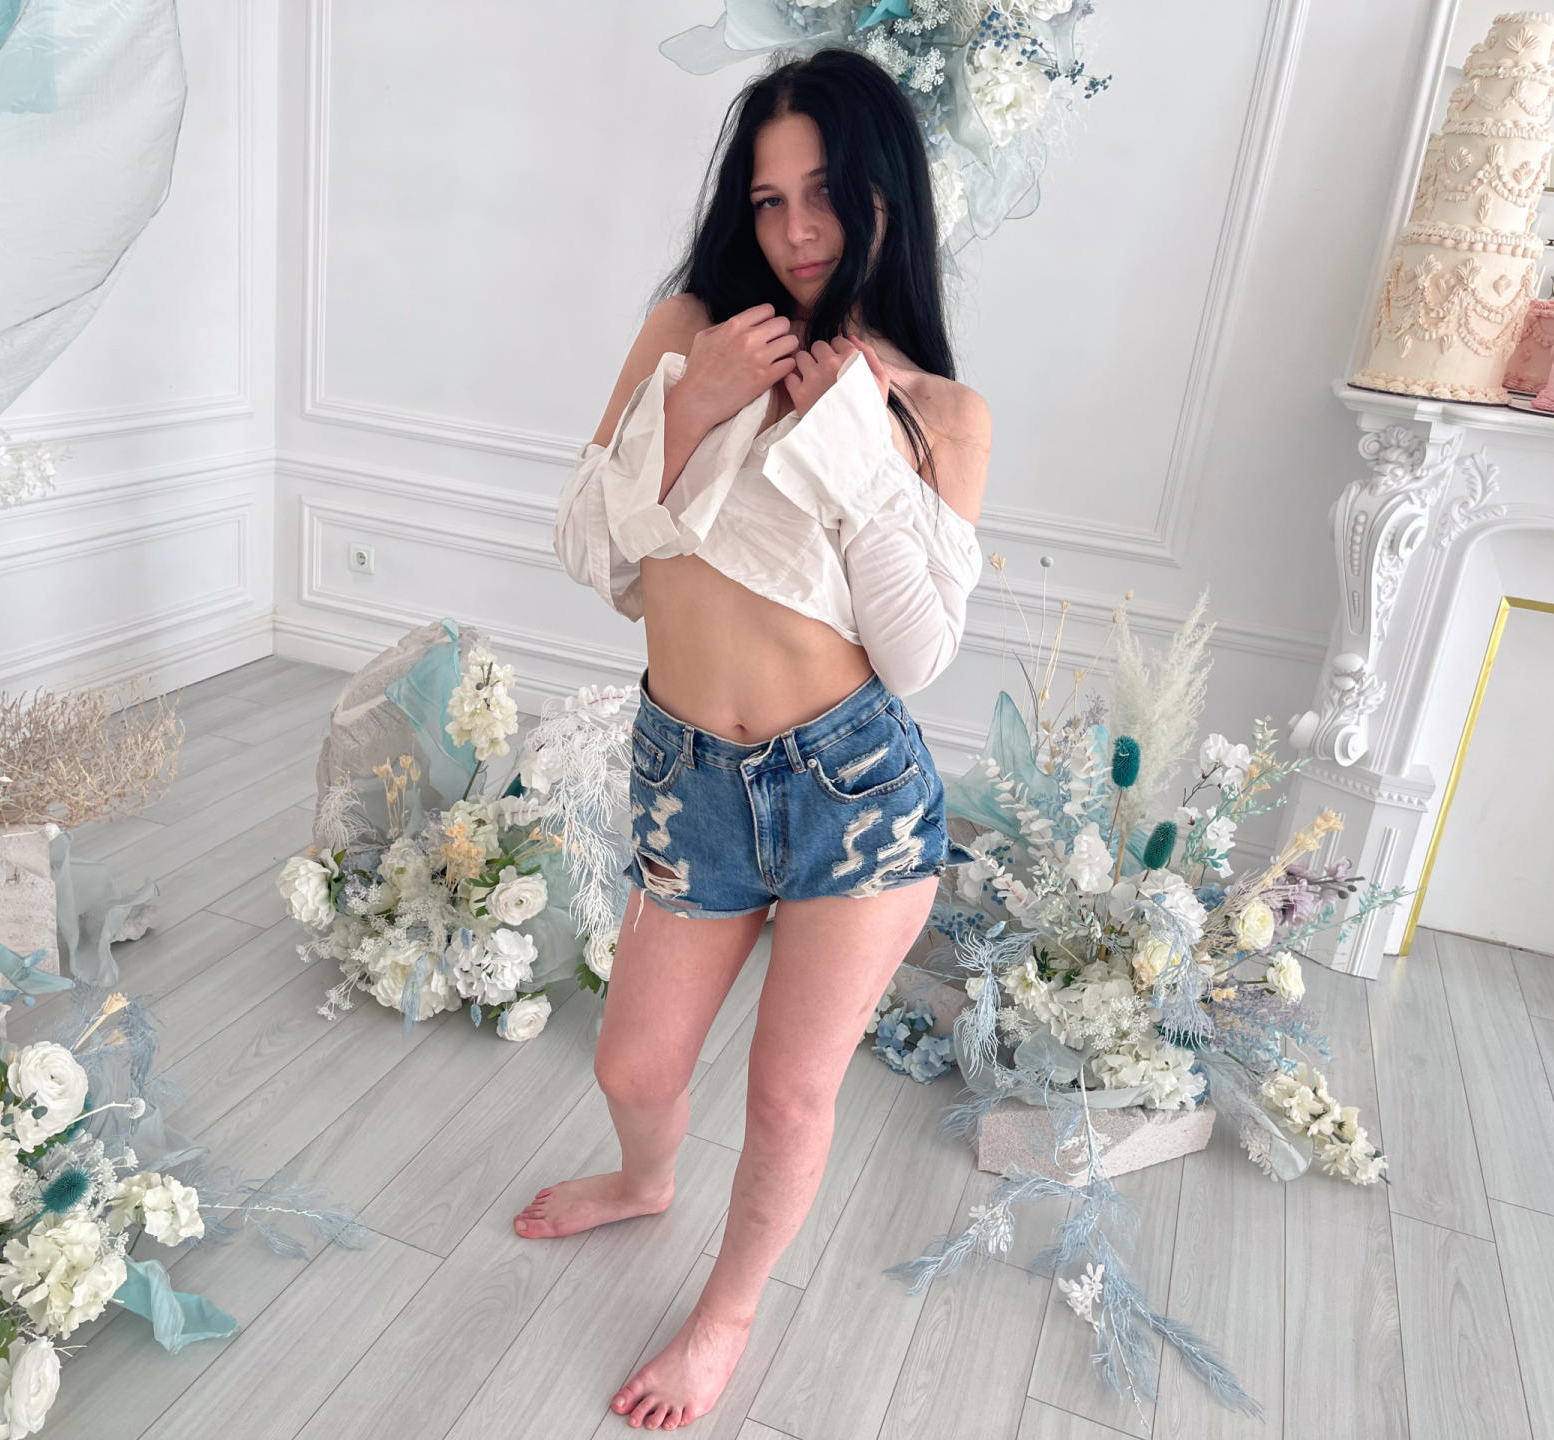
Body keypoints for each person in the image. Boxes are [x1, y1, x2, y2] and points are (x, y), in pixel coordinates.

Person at [518, 46, 991, 1432]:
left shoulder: (941, 413)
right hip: (689, 777)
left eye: (825, 195)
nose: (795, 231)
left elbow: (917, 654)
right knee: (632, 1068)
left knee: (790, 1098)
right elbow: (588, 551)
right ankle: (645, 1177)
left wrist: (854, 448)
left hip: (855, 790)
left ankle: (725, 1318)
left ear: (887, 199)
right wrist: (692, 404)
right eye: (769, 199)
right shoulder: (689, 329)